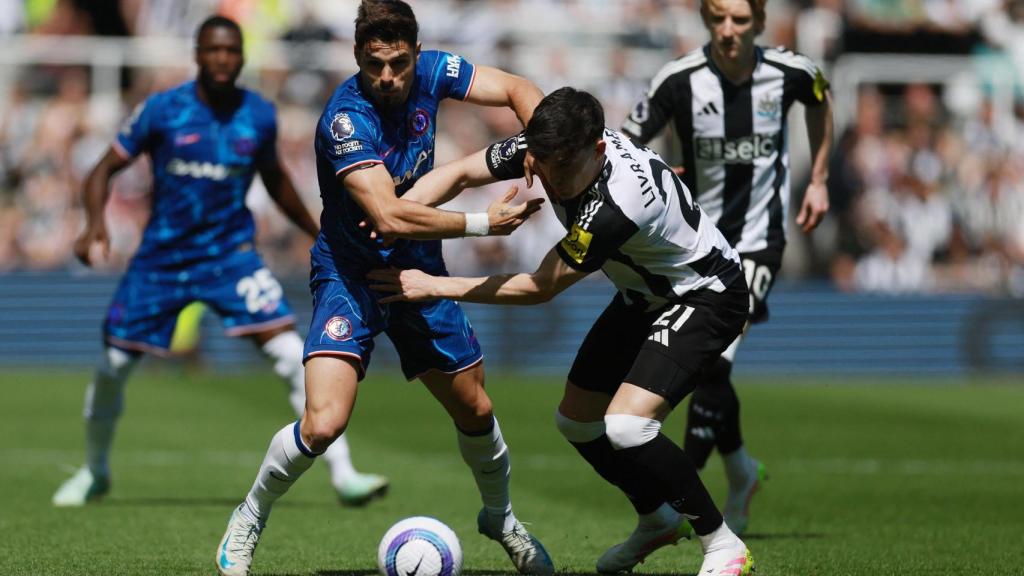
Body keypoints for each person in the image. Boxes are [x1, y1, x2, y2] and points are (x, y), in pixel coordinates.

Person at [214, 3, 552, 576]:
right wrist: (481, 224)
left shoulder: (436, 72)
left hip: (419, 273)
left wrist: (541, 143)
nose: (389, 78)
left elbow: (519, 87)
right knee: (323, 422)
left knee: (476, 407)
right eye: (375, 66)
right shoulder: (345, 119)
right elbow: (391, 216)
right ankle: (248, 518)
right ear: (356, 60)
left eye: (398, 64)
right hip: (352, 275)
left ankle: (501, 518)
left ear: (416, 55)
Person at [369, 87, 755, 576]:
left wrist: (435, 285)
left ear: (596, 151)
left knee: (628, 426)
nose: (549, 177)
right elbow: (462, 172)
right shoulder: (551, 146)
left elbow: (538, 287)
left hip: (703, 295)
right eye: (541, 160)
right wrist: (397, 215)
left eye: (562, 167)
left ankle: (722, 544)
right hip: (644, 295)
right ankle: (656, 518)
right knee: (577, 421)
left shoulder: (617, 205)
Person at [53, 15, 388, 509]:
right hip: (160, 261)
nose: (223, 60)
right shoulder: (163, 110)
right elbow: (104, 168)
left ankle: (344, 473)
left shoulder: (257, 115)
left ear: (241, 57)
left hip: (231, 258)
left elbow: (276, 182)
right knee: (114, 365)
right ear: (198, 54)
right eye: (213, 50)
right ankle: (95, 471)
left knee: (289, 352)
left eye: (231, 51)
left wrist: (321, 232)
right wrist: (92, 224)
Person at [620, 0, 833, 534]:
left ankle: (682, 501)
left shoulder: (792, 71)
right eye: (719, 19)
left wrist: (820, 177)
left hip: (760, 243)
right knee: (712, 365)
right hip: (697, 248)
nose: (729, 30)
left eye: (740, 19)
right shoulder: (679, 80)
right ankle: (739, 471)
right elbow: (624, 142)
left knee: (714, 362)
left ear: (759, 22)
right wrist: (652, 171)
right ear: (706, 21)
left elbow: (820, 101)